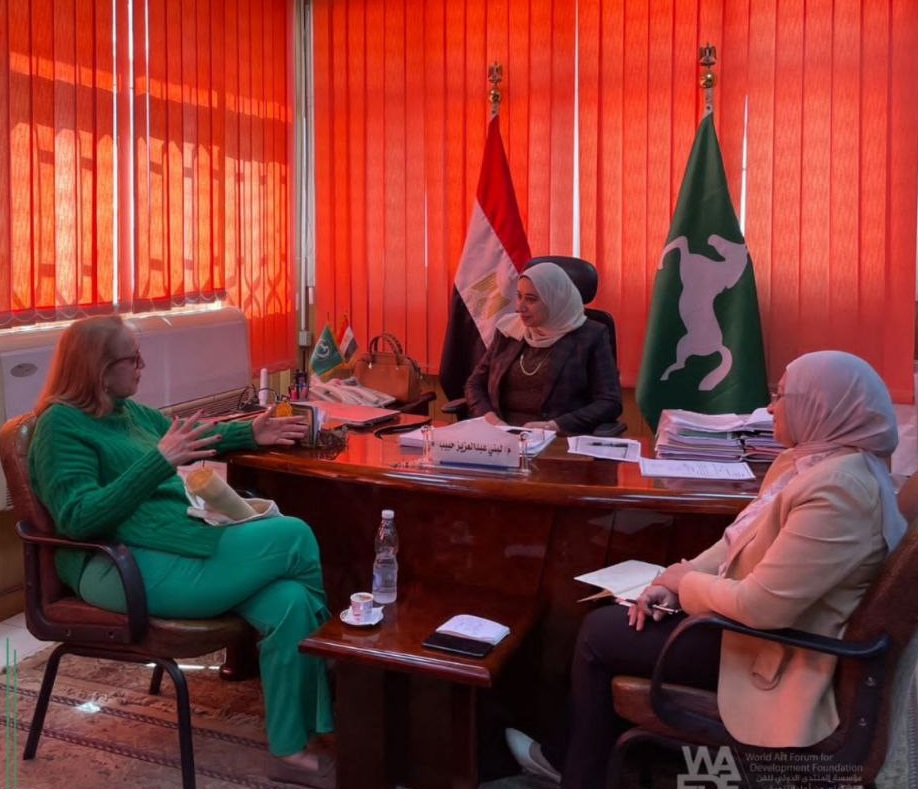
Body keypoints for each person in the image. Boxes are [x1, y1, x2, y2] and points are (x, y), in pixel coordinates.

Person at [506, 350, 907, 788]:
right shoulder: (810, 464)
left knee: (599, 636)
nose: (770, 407)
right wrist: (673, 580)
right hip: (749, 628)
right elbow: (737, 541)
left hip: (776, 653)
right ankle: (587, 764)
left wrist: (686, 584)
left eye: (781, 396)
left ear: (821, 406)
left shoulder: (840, 490)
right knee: (610, 620)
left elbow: (761, 607)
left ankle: (576, 773)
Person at [28, 315, 335, 789]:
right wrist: (157, 462)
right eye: (133, 358)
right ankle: (334, 677)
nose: (142, 366)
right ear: (99, 369)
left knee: (290, 601)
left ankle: (290, 751)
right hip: (117, 567)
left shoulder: (125, 412)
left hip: (171, 544)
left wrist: (250, 434)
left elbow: (190, 435)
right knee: (293, 535)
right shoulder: (59, 427)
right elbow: (78, 518)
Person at [464, 260, 622, 435]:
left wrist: (554, 426)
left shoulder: (590, 336)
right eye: (519, 296)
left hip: (558, 439)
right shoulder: (509, 330)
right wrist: (491, 420)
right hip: (501, 435)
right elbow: (474, 384)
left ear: (554, 300)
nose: (519, 307)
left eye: (531, 299)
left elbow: (609, 402)